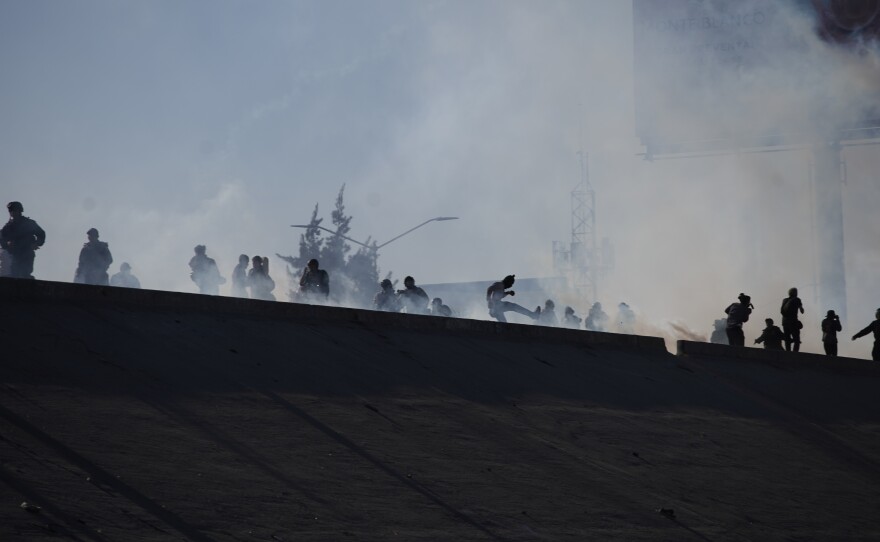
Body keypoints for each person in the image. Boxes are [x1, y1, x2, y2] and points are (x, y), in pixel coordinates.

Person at [0, 201, 46, 279]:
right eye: (11, 211)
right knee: (15, 275)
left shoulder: (28, 223)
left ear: (19, 211)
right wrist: (7, 244)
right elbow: (1, 239)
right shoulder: (8, 227)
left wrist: (36, 243)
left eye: (14, 210)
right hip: (15, 255)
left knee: (25, 274)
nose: (12, 213)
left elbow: (41, 234)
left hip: (27, 253)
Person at [780, 287, 805, 352]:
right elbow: (801, 310)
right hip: (793, 321)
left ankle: (788, 352)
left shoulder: (784, 300)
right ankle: (795, 353)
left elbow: (781, 311)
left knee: (787, 338)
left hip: (784, 322)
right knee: (796, 339)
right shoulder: (797, 299)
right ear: (795, 293)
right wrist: (801, 309)